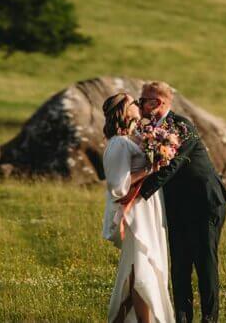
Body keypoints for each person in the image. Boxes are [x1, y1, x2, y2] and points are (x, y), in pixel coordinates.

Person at [122, 81, 226, 323]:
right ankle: (182, 318)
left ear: (158, 103)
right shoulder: (147, 129)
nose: (140, 105)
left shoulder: (182, 126)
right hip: (176, 207)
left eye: (143, 101)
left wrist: (135, 196)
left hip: (205, 203)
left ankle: (209, 319)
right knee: (180, 264)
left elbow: (170, 166)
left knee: (204, 263)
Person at [101, 92, 174, 323]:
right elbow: (118, 185)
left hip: (147, 209)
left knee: (138, 272)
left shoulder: (133, 137)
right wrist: (152, 168)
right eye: (132, 102)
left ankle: (119, 320)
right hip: (135, 215)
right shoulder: (119, 144)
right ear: (123, 110)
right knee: (142, 270)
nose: (137, 104)